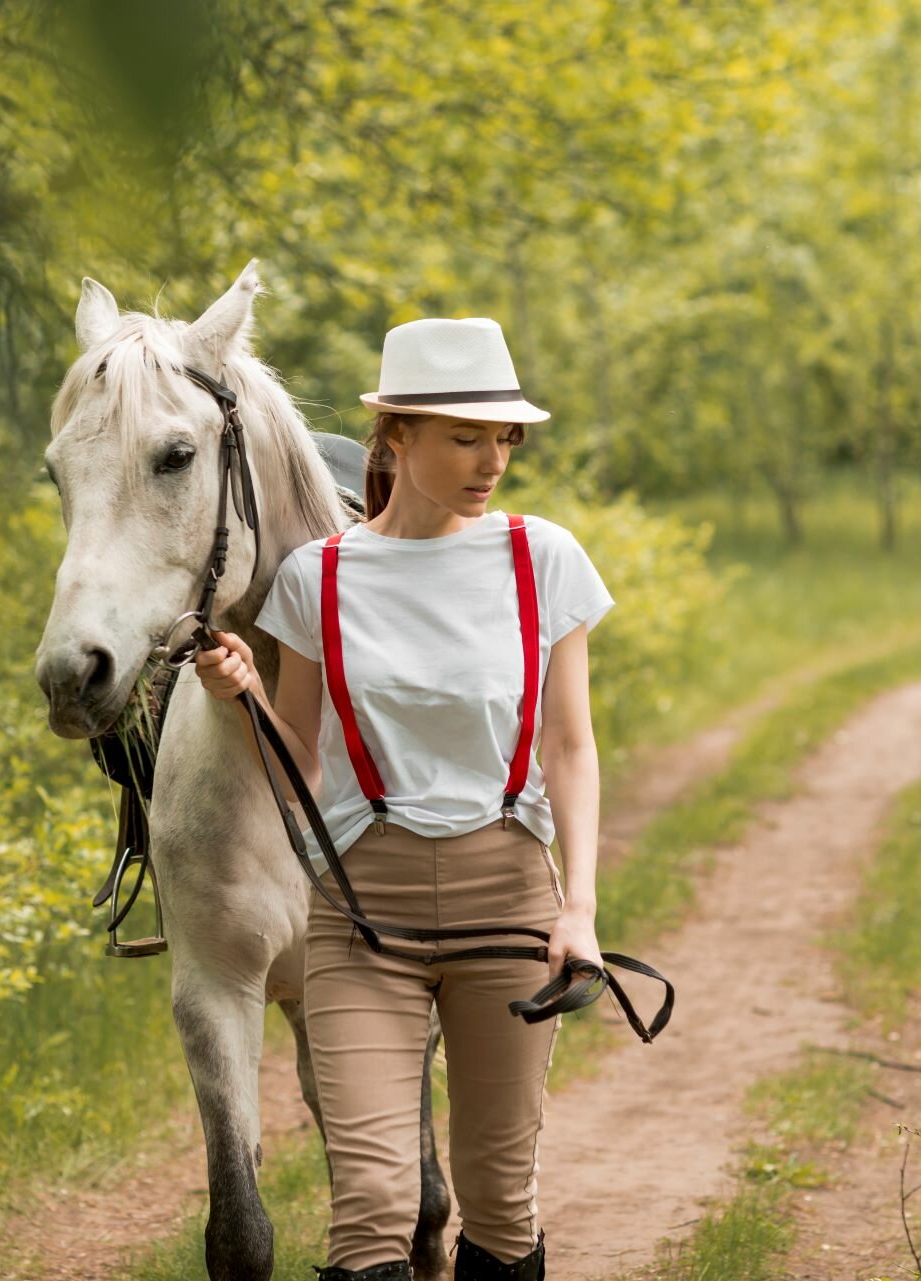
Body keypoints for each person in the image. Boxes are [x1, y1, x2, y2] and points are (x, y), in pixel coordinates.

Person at [196, 316, 614, 1281]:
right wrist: (250, 696)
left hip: (507, 899)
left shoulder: (540, 558)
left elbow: (572, 745)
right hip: (359, 916)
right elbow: (302, 759)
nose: (493, 460)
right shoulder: (320, 577)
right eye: (467, 435)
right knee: (376, 1202)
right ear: (395, 436)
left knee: (501, 1198)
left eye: (504, 437)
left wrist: (579, 908)